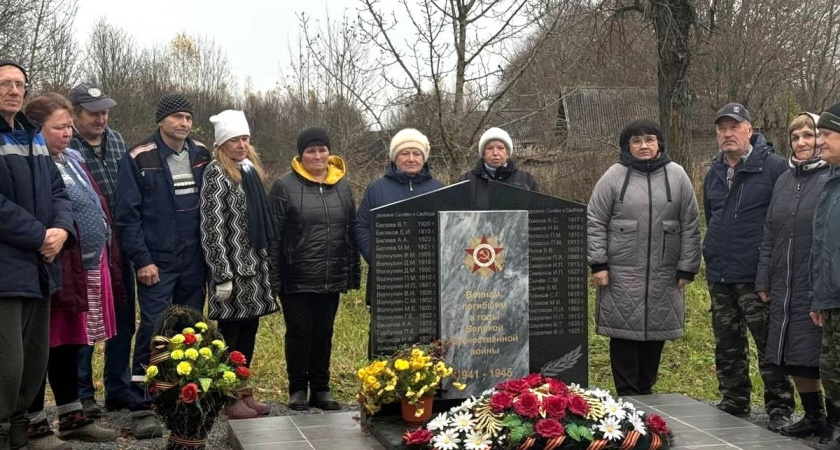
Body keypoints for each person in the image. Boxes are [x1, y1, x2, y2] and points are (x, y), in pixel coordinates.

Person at [23, 94, 121, 449]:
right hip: (53, 265)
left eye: (68, 126)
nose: (67, 133)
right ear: (37, 130)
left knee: (71, 342)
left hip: (86, 265)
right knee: (43, 344)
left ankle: (72, 416)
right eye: (59, 127)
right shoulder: (33, 164)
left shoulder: (73, 158)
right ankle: (33, 423)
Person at [115, 93, 211, 438]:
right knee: (154, 328)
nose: (184, 123)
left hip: (194, 259)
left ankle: (183, 392)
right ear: (161, 121)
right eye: (177, 117)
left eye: (188, 117)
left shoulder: (201, 153)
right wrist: (143, 260)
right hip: (158, 261)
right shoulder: (139, 157)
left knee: (190, 327)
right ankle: (141, 403)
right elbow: (127, 216)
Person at [587, 119, 701, 397]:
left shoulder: (678, 175)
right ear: (627, 147)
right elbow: (595, 219)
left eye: (649, 139)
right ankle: (627, 393)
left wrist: (687, 267)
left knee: (656, 333)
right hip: (621, 272)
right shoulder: (614, 176)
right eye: (636, 141)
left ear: (659, 143)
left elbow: (690, 222)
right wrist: (598, 263)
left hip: (665, 271)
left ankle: (646, 389)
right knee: (623, 333)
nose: (644, 146)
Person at [702, 102, 793, 430]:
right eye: (721, 129)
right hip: (720, 274)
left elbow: (783, 222)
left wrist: (770, 272)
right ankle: (734, 399)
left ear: (749, 130)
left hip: (757, 277)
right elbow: (712, 218)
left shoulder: (774, 168)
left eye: (733, 127)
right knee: (727, 344)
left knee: (769, 345)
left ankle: (780, 406)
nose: (727, 134)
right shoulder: (713, 171)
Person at [0, 59, 75, 450]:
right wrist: (39, 235)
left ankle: (19, 433)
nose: (14, 90)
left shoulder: (32, 138)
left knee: (32, 363)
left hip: (40, 268)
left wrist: (61, 230)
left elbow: (58, 192)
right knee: (6, 367)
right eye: (6, 84)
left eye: (20, 84)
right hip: (7, 271)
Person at [268, 127, 361, 411]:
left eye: (322, 150)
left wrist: (351, 273)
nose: (318, 155)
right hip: (296, 275)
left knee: (324, 333)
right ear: (301, 155)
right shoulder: (284, 186)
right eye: (311, 150)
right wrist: (273, 277)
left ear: (329, 152)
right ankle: (297, 388)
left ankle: (321, 388)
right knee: (299, 333)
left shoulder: (343, 186)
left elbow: (351, 231)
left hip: (331, 275)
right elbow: (274, 234)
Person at [201, 110, 279, 419]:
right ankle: (227, 395)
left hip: (255, 272)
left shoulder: (249, 170)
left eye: (244, 139)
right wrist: (221, 273)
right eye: (234, 140)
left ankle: (243, 390)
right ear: (222, 143)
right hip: (232, 272)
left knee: (249, 333)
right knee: (229, 337)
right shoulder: (216, 173)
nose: (241, 145)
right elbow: (213, 226)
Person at [755, 112, 829, 438]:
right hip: (785, 283)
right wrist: (763, 278)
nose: (801, 143)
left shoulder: (831, 177)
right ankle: (813, 416)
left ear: (820, 139)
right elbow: (770, 232)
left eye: (808, 136)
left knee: (824, 357)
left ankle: (835, 423)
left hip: (818, 282)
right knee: (795, 357)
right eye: (796, 137)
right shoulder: (784, 180)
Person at [67, 82, 134, 416]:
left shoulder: (119, 140)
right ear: (76, 114)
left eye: (104, 112)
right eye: (93, 113)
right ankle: (83, 395)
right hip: (87, 248)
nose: (100, 118)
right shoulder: (67, 146)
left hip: (122, 240)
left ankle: (119, 389)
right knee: (87, 321)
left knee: (122, 318)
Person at [355, 128, 445, 303]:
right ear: (395, 157)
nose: (411, 159)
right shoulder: (376, 189)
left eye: (417, 153)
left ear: (424, 157)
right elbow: (362, 226)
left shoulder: (439, 189)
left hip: (429, 279)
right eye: (405, 153)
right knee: (384, 330)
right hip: (386, 280)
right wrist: (376, 258)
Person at [812, 101, 840, 450]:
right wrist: (819, 296)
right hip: (831, 296)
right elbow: (823, 244)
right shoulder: (830, 182)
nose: (820, 142)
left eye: (828, 135)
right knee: (833, 371)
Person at [457, 126, 538, 209]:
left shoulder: (526, 180)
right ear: (483, 154)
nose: (495, 153)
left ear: (507, 153)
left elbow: (536, 215)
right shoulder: (466, 180)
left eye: (500, 148)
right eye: (489, 148)